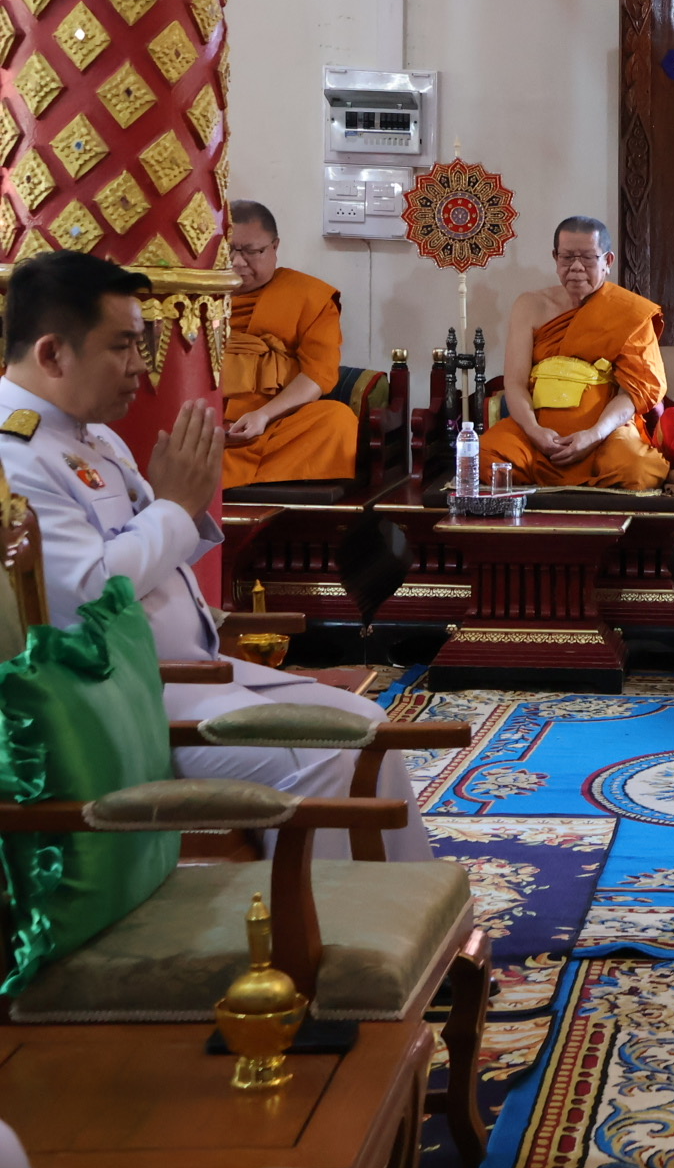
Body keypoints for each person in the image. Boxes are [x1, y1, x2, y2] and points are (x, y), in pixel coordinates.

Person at [0, 253, 429, 860]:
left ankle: (402, 907)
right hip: (117, 695)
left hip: (189, 673)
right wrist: (175, 505)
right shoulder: (15, 458)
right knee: (326, 757)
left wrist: (178, 506)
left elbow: (153, 547)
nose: (140, 366)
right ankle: (324, 919)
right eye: (122, 346)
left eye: (142, 343)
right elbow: (92, 594)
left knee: (370, 729)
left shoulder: (95, 436)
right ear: (51, 354)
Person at [480, 217, 670, 489]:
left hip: (605, 434)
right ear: (555, 258)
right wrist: (534, 431)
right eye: (568, 257)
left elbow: (634, 392)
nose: (577, 267)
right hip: (539, 432)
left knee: (637, 469)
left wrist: (594, 434)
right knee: (483, 456)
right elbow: (515, 382)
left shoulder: (629, 314)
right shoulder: (530, 306)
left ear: (608, 261)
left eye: (588, 258)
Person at [220, 200, 358, 487]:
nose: (237, 262)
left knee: (336, 420)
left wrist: (263, 415)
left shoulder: (309, 297)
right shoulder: (194, 295)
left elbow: (316, 377)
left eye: (251, 251)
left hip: (274, 425)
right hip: (208, 424)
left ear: (275, 246)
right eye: (228, 249)